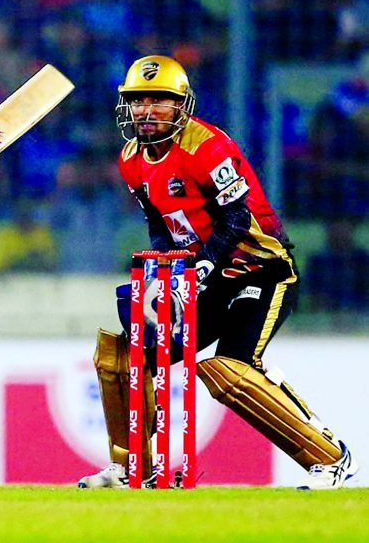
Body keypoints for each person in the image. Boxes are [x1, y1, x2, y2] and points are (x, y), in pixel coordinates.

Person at [78, 55, 358, 490]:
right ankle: (134, 467)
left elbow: (235, 218)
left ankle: (330, 457)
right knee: (125, 357)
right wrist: (167, 270)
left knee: (232, 367)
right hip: (201, 276)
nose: (148, 110)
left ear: (181, 105)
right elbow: (160, 221)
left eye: (160, 100)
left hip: (260, 270)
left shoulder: (207, 146)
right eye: (139, 100)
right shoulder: (131, 158)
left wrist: (202, 267)